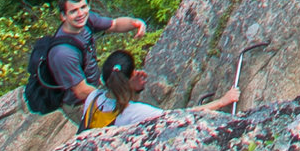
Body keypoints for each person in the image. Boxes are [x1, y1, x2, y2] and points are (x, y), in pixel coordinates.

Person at [43, 0, 151, 117]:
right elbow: (81, 91)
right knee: (127, 115)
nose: (80, 14)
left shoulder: (87, 21)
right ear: (63, 16)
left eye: (83, 7)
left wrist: (136, 23)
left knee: (132, 94)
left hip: (95, 86)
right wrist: (114, 96)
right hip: (79, 104)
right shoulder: (63, 53)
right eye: (73, 11)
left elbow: (115, 24)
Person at [83, 48, 238, 129]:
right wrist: (222, 101)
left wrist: (133, 89)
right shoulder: (134, 112)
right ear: (130, 79)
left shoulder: (93, 98)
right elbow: (179, 116)